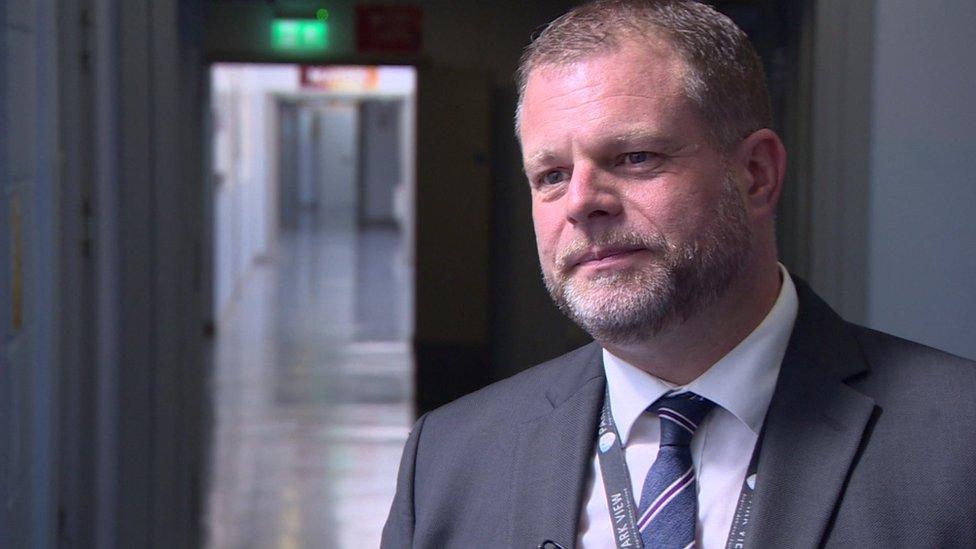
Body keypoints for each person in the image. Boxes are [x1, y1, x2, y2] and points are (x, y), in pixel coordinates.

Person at [382, 1, 976, 547]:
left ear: (756, 175)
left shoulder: (957, 443)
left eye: (635, 157)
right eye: (552, 175)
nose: (582, 202)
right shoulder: (448, 460)